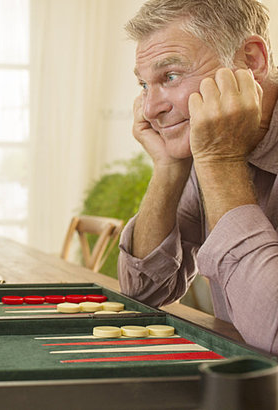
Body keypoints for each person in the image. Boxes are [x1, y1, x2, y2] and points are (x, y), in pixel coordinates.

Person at [118, 0, 278, 356]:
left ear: (251, 61)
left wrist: (221, 160)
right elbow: (141, 293)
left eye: (170, 76)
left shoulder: (216, 147)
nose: (149, 108)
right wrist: (168, 168)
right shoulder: (204, 142)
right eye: (144, 84)